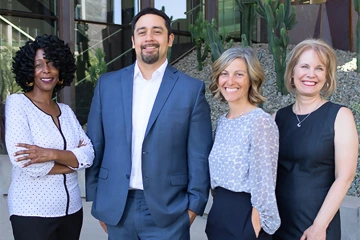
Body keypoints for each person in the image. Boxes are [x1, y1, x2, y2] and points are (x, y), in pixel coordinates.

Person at [85, 7, 213, 240]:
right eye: (142, 32)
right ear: (133, 40)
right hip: (117, 208)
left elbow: (198, 155)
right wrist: (98, 199)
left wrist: (194, 206)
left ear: (170, 39)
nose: (149, 38)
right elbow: (96, 144)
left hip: (169, 211)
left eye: (157, 31)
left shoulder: (191, 90)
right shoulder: (107, 85)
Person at [5, 34, 94, 240]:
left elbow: (88, 154)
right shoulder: (18, 104)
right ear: (29, 70)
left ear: (61, 70)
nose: (46, 70)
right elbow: (26, 162)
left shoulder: (66, 111)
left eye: (52, 64)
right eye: (38, 65)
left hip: (72, 210)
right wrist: (72, 163)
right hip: (32, 212)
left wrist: (49, 153)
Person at [273, 39, 358, 240]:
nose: (311, 74)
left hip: (315, 227)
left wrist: (319, 226)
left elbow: (345, 178)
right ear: (292, 72)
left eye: (319, 68)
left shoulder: (340, 116)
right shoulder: (277, 117)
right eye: (304, 66)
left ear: (327, 77)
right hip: (276, 225)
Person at [205, 47, 281, 240]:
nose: (230, 81)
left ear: (251, 79)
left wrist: (252, 229)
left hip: (245, 222)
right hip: (219, 217)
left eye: (239, 74)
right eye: (224, 73)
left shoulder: (260, 122)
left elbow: (264, 184)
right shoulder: (222, 122)